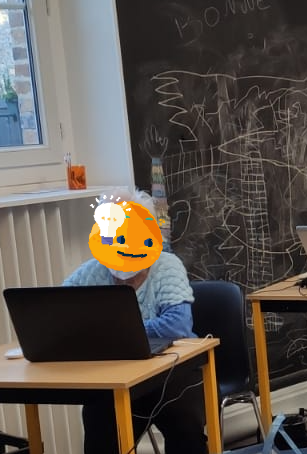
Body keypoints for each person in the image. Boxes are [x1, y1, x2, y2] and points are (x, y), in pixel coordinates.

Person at [64, 189, 207, 454]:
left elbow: (177, 325)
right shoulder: (93, 271)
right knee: (99, 420)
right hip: (119, 377)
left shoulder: (167, 266)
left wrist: (119, 332)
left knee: (184, 422)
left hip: (172, 372)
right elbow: (58, 310)